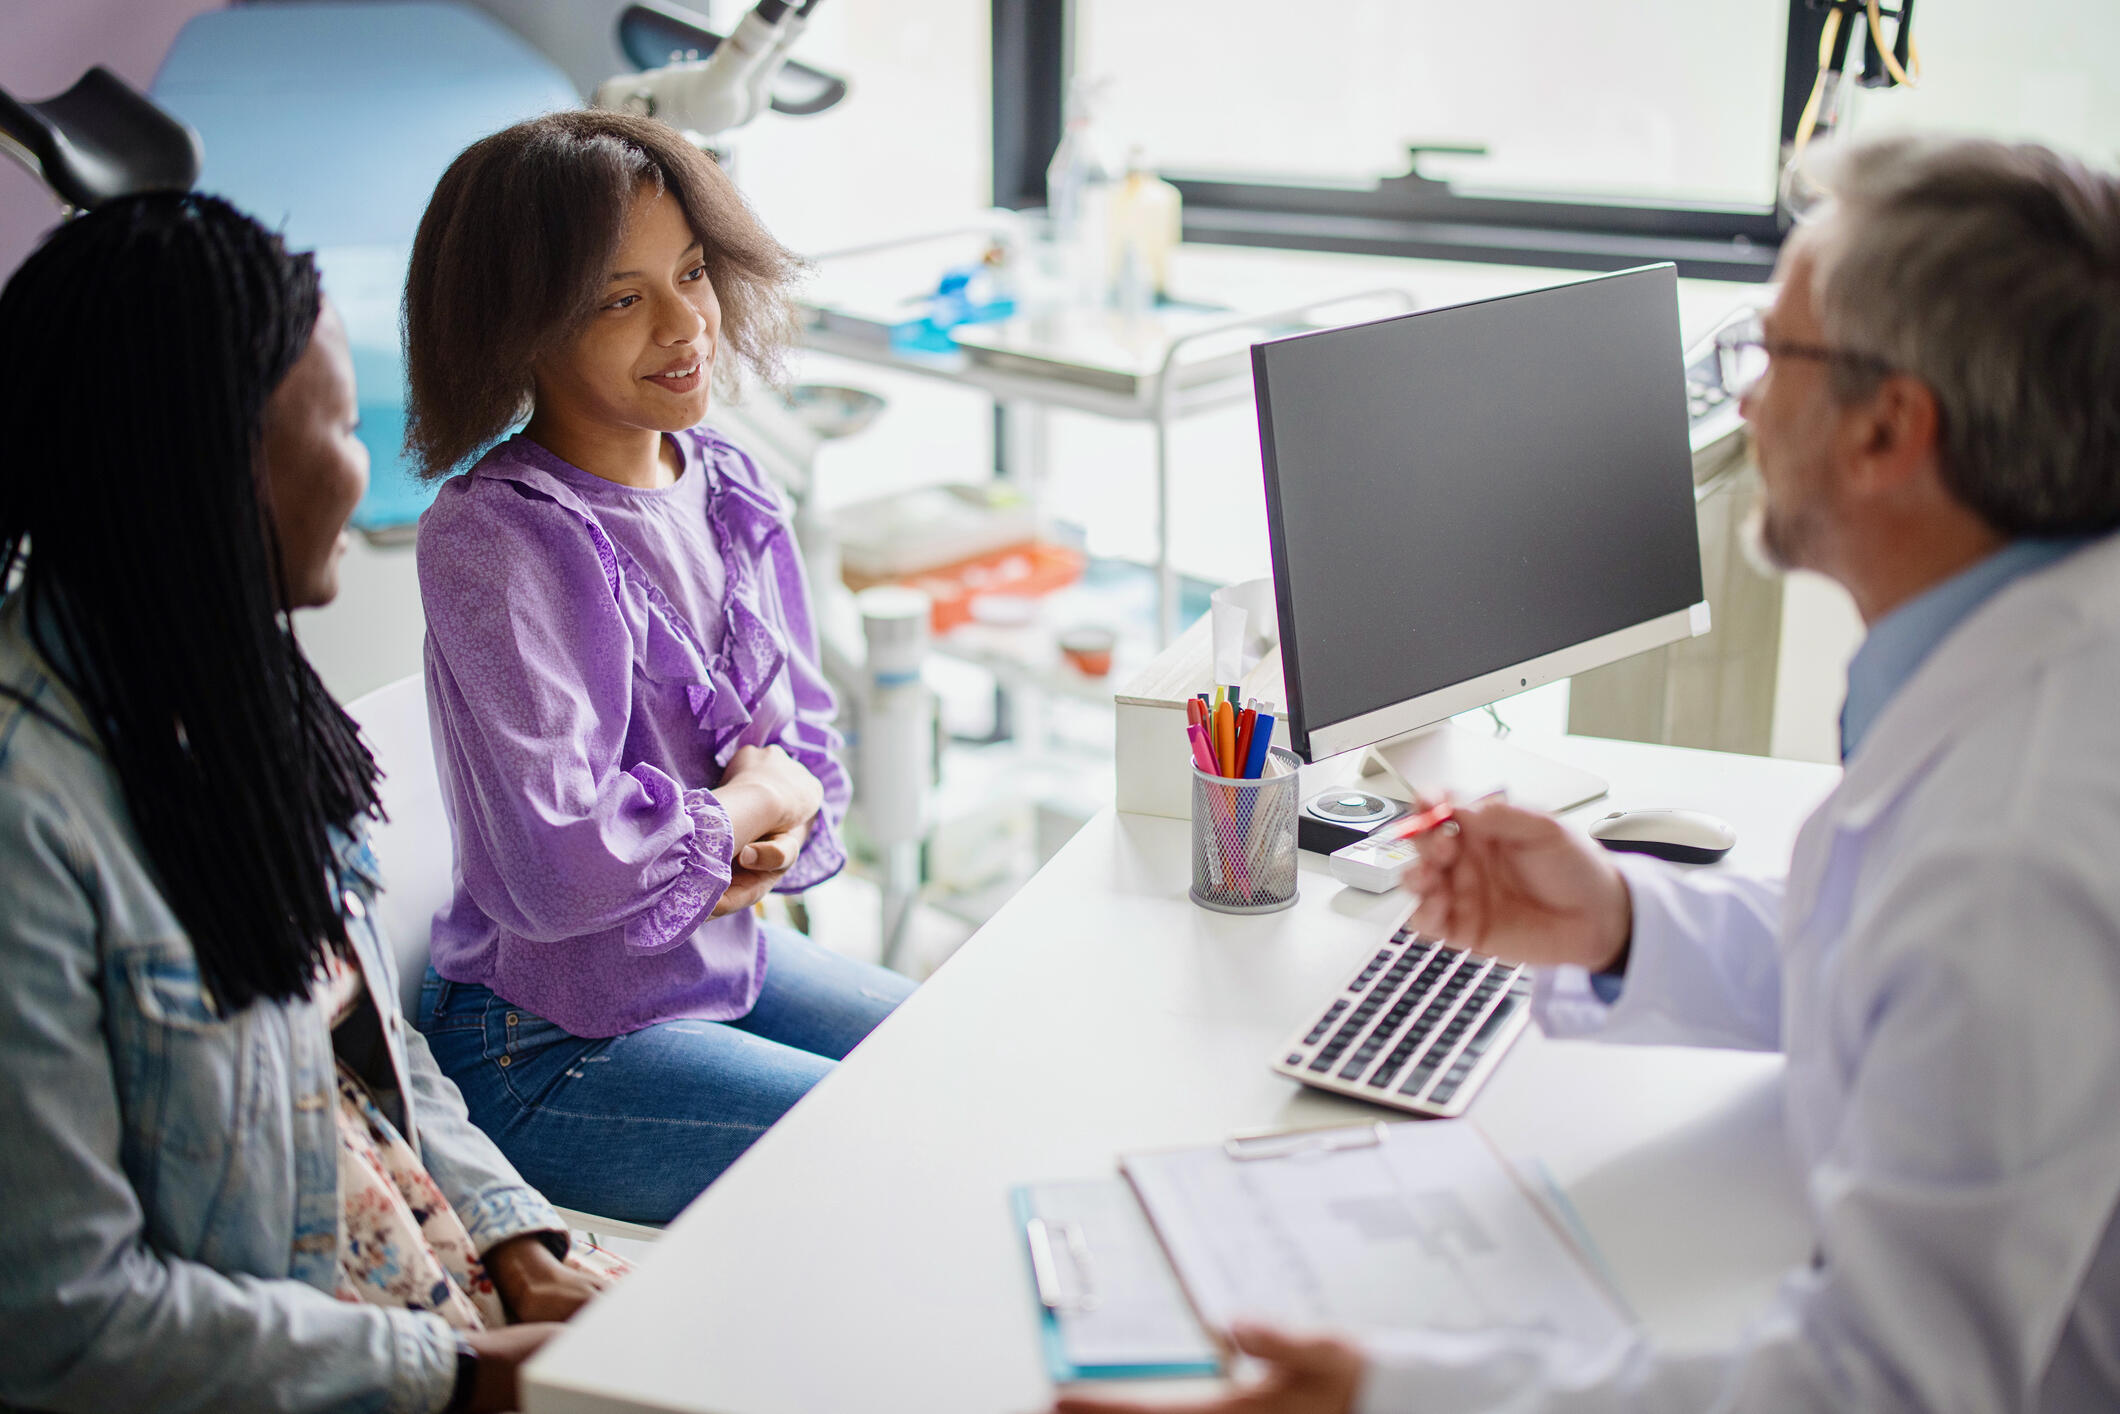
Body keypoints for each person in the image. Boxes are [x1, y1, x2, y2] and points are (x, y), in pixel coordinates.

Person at [1057, 133, 2120, 1414]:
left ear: (1889, 426)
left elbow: (1879, 1390)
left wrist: (1394, 1397)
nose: (1743, 404)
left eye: (1769, 356)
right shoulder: (2022, 662)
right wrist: (1616, 918)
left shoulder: (2022, 836)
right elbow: (1890, 955)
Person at [0, 193, 620, 1414]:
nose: (365, 463)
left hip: (424, 1291)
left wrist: (516, 1247)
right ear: (210, 464)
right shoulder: (28, 819)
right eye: (340, 424)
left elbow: (370, 1066)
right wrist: (455, 1377)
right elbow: (60, 1322)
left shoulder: (238, 699)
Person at [402, 110, 914, 1226]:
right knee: (899, 1146)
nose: (687, 325)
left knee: (960, 1056)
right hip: (544, 1046)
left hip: (710, 963)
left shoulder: (728, 482)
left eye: (690, 272)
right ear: (521, 329)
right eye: (620, 299)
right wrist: (741, 806)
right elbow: (556, 862)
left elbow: (805, 748)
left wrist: (762, 825)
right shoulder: (494, 536)